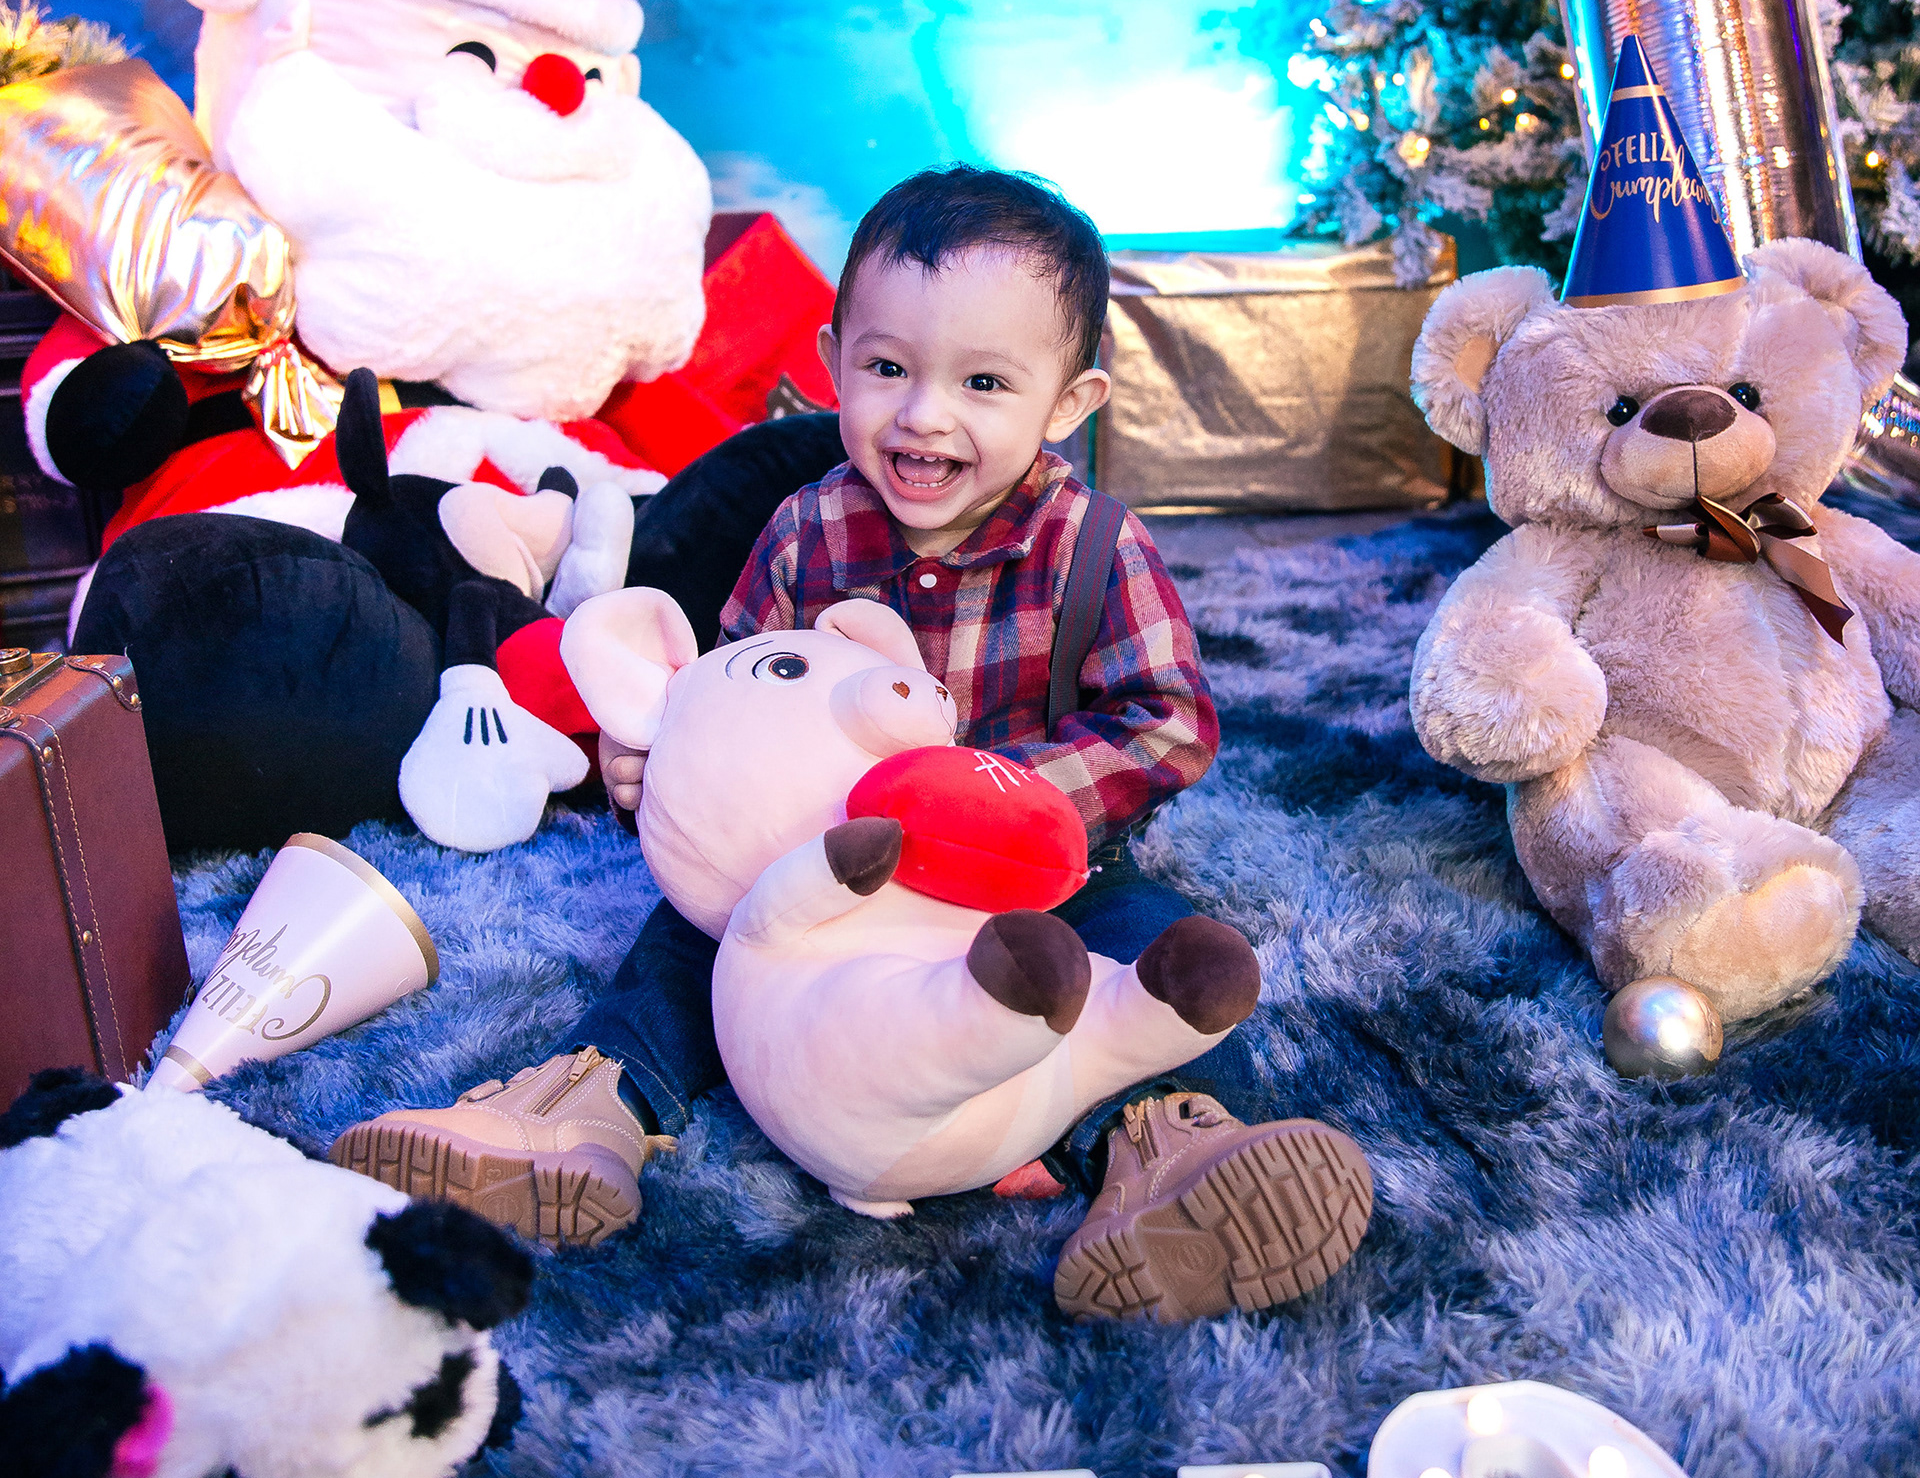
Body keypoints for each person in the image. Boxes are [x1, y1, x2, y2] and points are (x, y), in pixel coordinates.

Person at [330, 168, 1371, 1321]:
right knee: (687, 940)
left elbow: (1167, 721)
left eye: (983, 383)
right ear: (833, 363)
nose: (923, 414)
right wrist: (653, 772)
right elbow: (725, 707)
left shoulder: (1093, 545)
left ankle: (1170, 1154)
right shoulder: (805, 533)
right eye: (888, 369)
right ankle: (589, 1110)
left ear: (1068, 403)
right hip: (824, 878)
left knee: (1146, 945)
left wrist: (1005, 803)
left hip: (1041, 878)